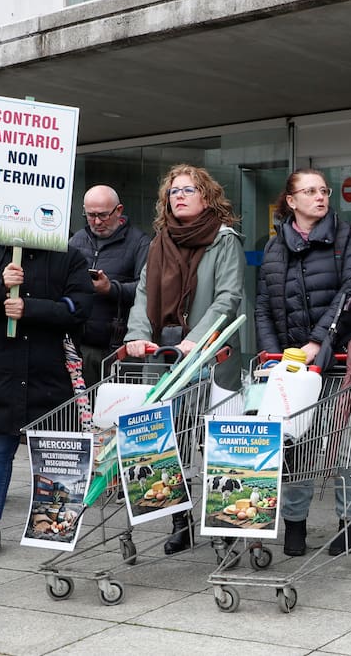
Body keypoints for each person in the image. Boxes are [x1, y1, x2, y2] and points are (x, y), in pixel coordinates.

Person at [124, 164, 245, 555]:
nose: (178, 196)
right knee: (171, 439)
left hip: (208, 355)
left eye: (188, 190)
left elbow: (228, 297)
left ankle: (226, 523)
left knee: (213, 441)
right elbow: (144, 295)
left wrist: (197, 341)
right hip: (165, 355)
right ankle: (182, 521)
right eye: (173, 191)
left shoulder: (224, 240)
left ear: (206, 197)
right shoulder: (160, 242)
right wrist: (138, 337)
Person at [255, 168, 351, 557]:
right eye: (309, 191)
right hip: (291, 367)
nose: (319, 197)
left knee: (343, 445)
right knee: (296, 447)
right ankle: (295, 525)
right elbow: (264, 307)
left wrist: (318, 341)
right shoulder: (273, 247)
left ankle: (349, 525)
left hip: (337, 360)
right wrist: (273, 357)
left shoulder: (346, 236)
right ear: (291, 201)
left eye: (323, 191)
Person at [0, 244, 93, 559]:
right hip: (2, 368)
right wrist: (0, 287)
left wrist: (30, 307)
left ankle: (57, 524)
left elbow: (79, 308)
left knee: (57, 450)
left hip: (49, 370)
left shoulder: (70, 257)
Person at [69, 184, 151, 386]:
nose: (97, 222)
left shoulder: (140, 243)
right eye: (90, 215)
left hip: (121, 348)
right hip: (82, 345)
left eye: (103, 215)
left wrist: (111, 289)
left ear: (119, 210)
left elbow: (148, 289)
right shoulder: (77, 241)